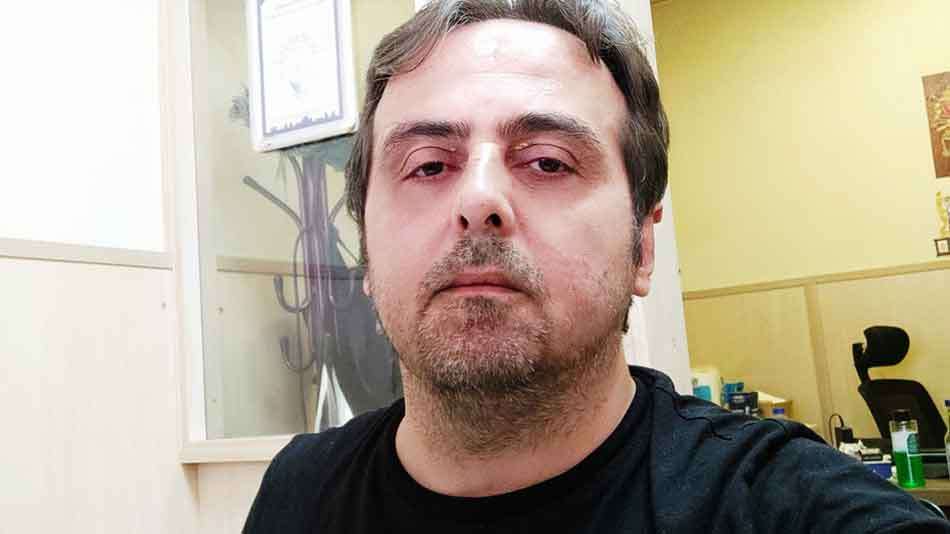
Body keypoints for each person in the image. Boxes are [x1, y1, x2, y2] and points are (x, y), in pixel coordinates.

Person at [243, 1, 950, 532]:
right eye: (428, 165)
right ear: (367, 254)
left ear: (643, 245)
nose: (479, 199)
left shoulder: (794, 510)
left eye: (548, 162)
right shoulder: (298, 493)